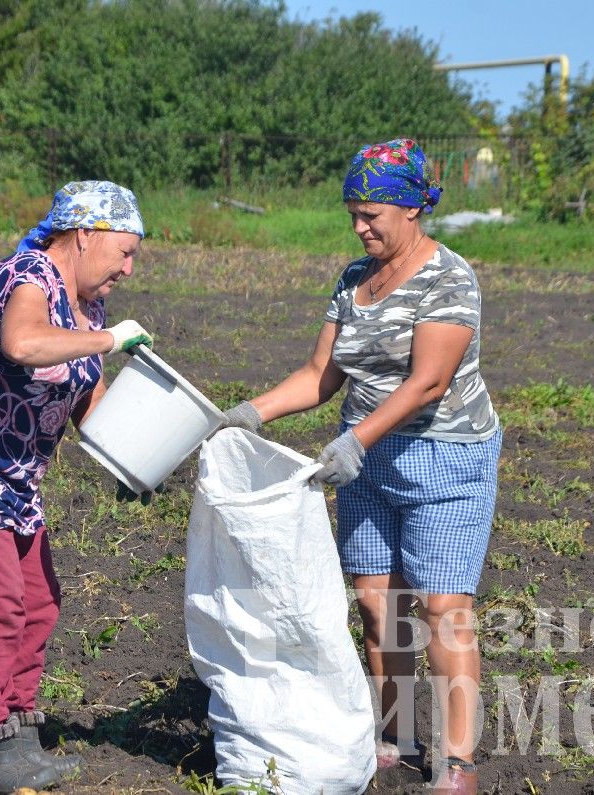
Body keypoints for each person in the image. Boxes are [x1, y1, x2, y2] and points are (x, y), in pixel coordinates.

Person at [223, 139, 501, 795]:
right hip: (366, 464)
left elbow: (428, 382)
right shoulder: (353, 280)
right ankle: (398, 734)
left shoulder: (449, 279)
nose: (359, 226)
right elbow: (321, 374)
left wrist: (357, 439)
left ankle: (457, 760)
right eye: (353, 213)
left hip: (445, 460)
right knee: (379, 607)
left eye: (371, 213)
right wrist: (248, 413)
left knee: (440, 608)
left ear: (411, 208)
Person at [0, 180, 154, 793]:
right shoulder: (28, 274)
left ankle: (16, 732)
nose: (128, 266)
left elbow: (89, 408)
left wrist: (143, 458)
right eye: (122, 251)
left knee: (38, 599)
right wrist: (110, 340)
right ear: (84, 234)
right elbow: (22, 345)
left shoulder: (87, 307)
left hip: (12, 471)